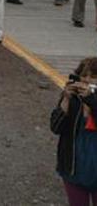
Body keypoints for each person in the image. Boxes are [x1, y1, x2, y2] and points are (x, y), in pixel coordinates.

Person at [51, 56, 97, 205]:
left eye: (94, 76)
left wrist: (91, 101)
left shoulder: (90, 99)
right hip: (73, 169)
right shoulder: (74, 99)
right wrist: (65, 100)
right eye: (84, 75)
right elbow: (55, 127)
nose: (87, 80)